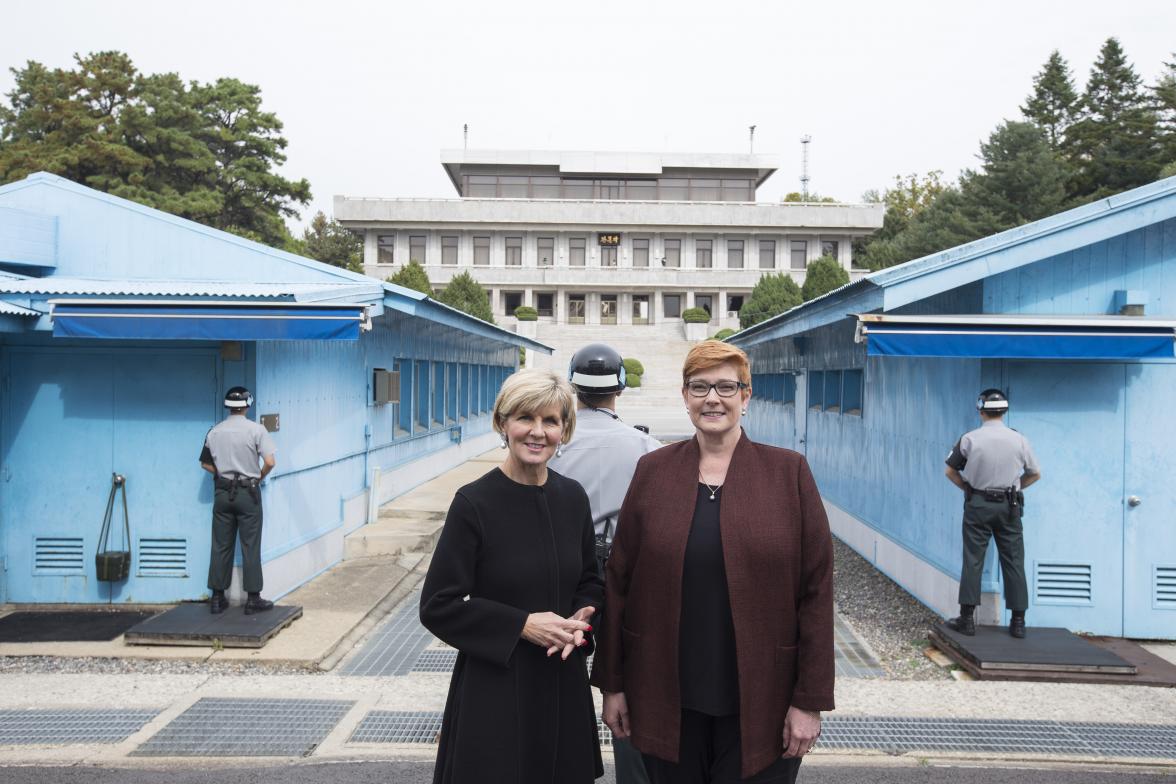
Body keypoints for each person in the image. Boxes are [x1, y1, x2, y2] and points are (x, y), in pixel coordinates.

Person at [592, 341, 834, 784]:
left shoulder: (788, 473)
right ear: (685, 397)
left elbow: (816, 590)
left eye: (726, 386)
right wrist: (614, 684)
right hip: (665, 697)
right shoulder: (654, 471)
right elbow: (619, 581)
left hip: (766, 701)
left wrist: (809, 699)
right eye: (700, 386)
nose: (712, 399)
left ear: (746, 396)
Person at [420, 368, 604, 784]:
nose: (537, 432)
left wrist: (581, 621)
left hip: (562, 681)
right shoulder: (473, 503)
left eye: (550, 421)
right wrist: (522, 625)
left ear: (565, 429)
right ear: (503, 424)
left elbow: (590, 580)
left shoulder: (572, 497)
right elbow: (438, 606)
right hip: (496, 689)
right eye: (525, 418)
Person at [548, 343, 661, 784]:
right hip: (627, 574)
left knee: (558, 676)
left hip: (564, 575)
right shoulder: (646, 446)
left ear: (573, 386)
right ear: (621, 386)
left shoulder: (555, 444)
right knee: (629, 685)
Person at [944, 388, 1041, 639]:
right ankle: (1018, 621)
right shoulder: (1019, 440)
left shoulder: (970, 439)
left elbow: (950, 471)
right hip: (1010, 507)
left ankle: (966, 619)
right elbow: (1034, 473)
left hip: (978, 503)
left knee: (973, 559)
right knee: (1013, 560)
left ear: (981, 408)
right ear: (1005, 410)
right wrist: (1016, 487)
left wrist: (968, 487)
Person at [199, 386, 277, 615]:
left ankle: (216, 598)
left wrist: (222, 474)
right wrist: (257, 478)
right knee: (250, 545)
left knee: (221, 544)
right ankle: (253, 599)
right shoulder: (256, 430)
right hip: (248, 492)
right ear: (247, 405)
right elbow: (270, 462)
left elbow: (204, 463)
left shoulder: (214, 431)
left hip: (223, 492)